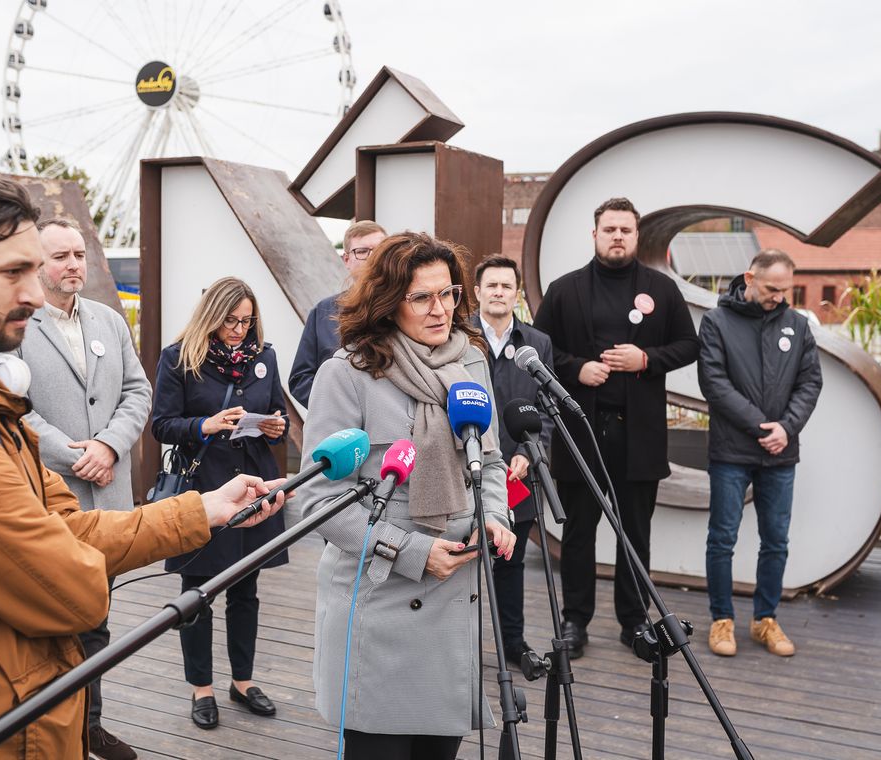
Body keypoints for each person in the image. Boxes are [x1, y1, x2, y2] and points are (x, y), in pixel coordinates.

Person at [0, 174, 286, 759]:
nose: (34, 292)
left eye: (39, 268)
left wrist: (204, 507)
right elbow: (71, 591)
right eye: (12, 272)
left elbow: (67, 530)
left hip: (20, 708)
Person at [296, 232, 517, 760]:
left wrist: (494, 513)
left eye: (449, 293)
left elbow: (488, 460)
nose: (441, 310)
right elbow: (320, 502)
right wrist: (414, 552)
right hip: (380, 604)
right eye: (422, 297)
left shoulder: (473, 365)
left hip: (453, 597)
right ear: (388, 300)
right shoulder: (345, 374)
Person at [532, 197, 699, 658]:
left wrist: (646, 359)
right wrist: (576, 368)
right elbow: (538, 350)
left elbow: (689, 345)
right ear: (595, 235)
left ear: (637, 235)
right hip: (581, 433)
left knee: (635, 533)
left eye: (626, 229)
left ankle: (633, 620)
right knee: (579, 532)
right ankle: (574, 621)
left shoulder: (661, 290)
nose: (618, 237)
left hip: (638, 434)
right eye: (610, 229)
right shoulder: (565, 290)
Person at [16, 218, 152, 760]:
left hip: (110, 497)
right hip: (52, 498)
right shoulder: (17, 328)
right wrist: (75, 453)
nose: (75, 264)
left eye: (79, 254)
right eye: (61, 256)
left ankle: (90, 725)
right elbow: (13, 410)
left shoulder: (108, 321)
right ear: (37, 264)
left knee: (97, 617)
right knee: (60, 622)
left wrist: (111, 446)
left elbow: (138, 390)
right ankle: (60, 731)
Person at [151, 276, 289, 730]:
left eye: (247, 322)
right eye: (231, 320)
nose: (239, 330)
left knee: (246, 589)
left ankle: (243, 681)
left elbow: (279, 412)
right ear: (212, 315)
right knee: (197, 593)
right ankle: (202, 688)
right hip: (204, 488)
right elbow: (163, 425)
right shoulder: (178, 358)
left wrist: (276, 427)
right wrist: (205, 425)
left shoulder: (264, 357)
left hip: (254, 485)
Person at [698, 249, 822, 658]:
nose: (779, 296)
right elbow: (714, 383)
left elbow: (810, 383)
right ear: (749, 278)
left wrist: (786, 427)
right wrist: (761, 426)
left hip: (781, 453)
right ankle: (722, 620)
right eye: (772, 288)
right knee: (722, 538)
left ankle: (765, 619)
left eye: (786, 290)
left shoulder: (798, 326)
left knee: (776, 540)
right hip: (732, 452)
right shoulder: (717, 322)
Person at [469, 254, 555, 666]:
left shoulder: (536, 345)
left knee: (511, 562)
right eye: (492, 285)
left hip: (517, 476)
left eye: (507, 286)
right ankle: (457, 648)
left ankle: (513, 643)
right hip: (465, 473)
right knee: (462, 563)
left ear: (517, 294)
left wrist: (528, 452)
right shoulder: (458, 339)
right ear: (477, 292)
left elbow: (545, 412)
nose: (499, 292)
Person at [289, 220, 387, 407]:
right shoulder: (323, 312)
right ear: (347, 260)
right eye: (363, 251)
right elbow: (300, 379)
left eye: (380, 250)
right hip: (341, 429)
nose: (373, 258)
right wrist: (335, 408)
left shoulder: (404, 307)